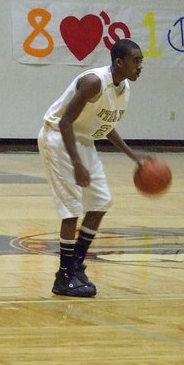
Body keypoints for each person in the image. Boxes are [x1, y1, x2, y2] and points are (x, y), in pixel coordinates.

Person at [38, 38, 146, 297]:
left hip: (83, 140)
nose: (140, 66)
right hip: (58, 138)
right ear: (119, 62)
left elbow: (105, 127)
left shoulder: (124, 88)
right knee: (72, 210)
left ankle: (76, 265)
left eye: (142, 61)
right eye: (136, 61)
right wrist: (77, 164)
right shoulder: (93, 83)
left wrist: (133, 156)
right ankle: (64, 275)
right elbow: (65, 122)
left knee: (100, 203)